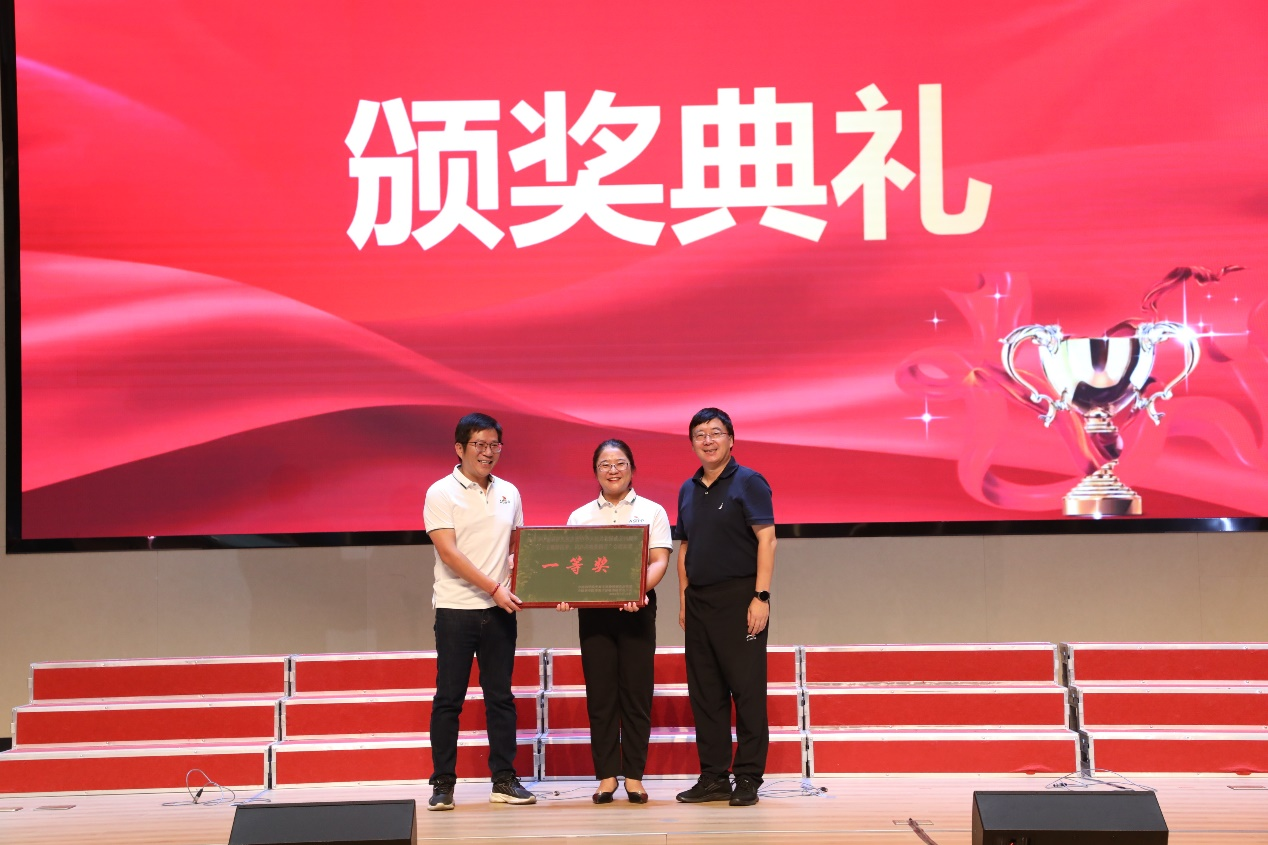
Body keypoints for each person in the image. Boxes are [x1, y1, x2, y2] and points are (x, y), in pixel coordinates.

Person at [422, 412, 535, 811]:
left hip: (499, 611)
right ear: (460, 448)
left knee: (500, 697)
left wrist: (533, 585)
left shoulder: (510, 492)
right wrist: (494, 587)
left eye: (494, 445)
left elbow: (519, 549)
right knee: (449, 699)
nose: (487, 452)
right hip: (456, 609)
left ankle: (504, 779)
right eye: (479, 445)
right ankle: (443, 784)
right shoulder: (440, 492)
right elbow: (449, 553)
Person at [556, 439, 672, 804]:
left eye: (620, 463)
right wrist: (566, 593)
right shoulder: (580, 516)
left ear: (632, 468)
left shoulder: (652, 511)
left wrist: (637, 591)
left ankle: (634, 776)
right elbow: (570, 568)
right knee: (601, 695)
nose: (613, 470)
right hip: (595, 615)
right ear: (595, 472)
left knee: (636, 694)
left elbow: (659, 561)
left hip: (638, 610)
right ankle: (606, 777)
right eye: (605, 464)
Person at [672, 408, 776, 807]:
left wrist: (761, 597)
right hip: (699, 601)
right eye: (700, 435)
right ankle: (713, 776)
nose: (708, 441)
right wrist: (684, 597)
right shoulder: (687, 489)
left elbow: (767, 539)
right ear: (692, 444)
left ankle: (748, 776)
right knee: (706, 693)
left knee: (746, 691)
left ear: (731, 439)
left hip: (740, 599)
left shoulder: (749, 481)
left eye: (716, 433)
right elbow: (685, 547)